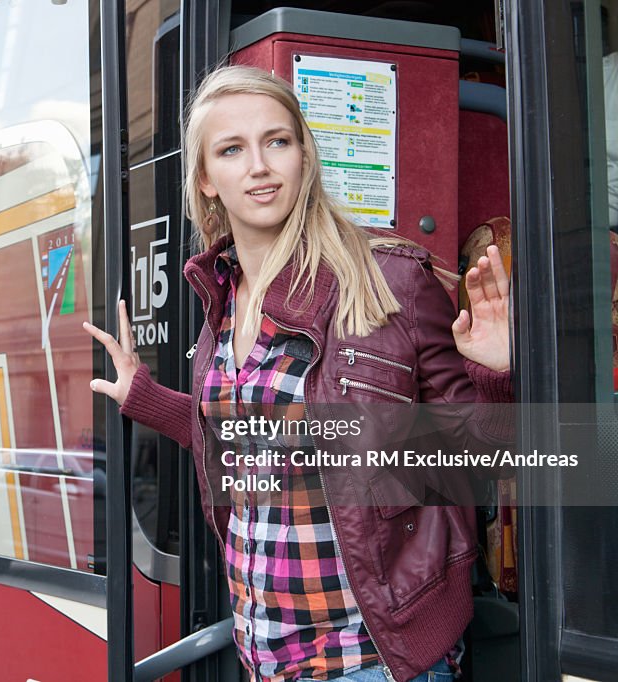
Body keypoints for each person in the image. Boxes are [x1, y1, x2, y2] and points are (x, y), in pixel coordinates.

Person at [83, 66, 512, 682]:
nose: (259, 165)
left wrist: (495, 374)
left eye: (277, 141)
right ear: (206, 179)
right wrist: (145, 398)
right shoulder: (223, 303)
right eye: (232, 149)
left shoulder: (388, 285)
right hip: (267, 655)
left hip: (371, 659)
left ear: (303, 156)